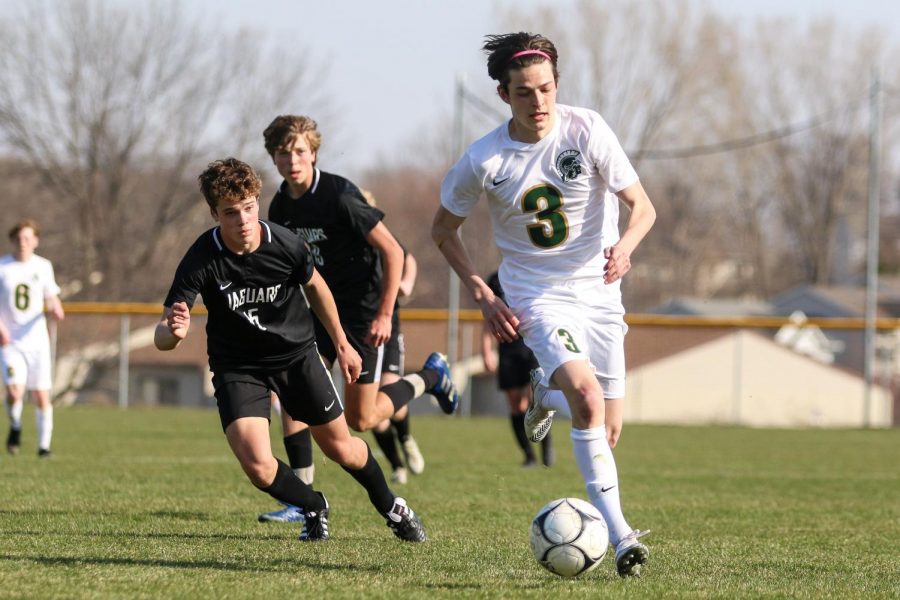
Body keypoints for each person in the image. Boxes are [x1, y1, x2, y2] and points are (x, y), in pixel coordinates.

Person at [432, 32, 657, 577]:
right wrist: (483, 294)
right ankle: (623, 536)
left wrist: (625, 248)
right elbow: (442, 230)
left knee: (607, 425)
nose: (539, 103)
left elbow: (643, 208)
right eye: (525, 93)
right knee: (587, 397)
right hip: (537, 295)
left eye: (546, 89)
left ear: (557, 84)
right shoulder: (484, 158)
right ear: (503, 95)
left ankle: (543, 393)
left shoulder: (588, 129)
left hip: (601, 293)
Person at [155, 157, 426, 542]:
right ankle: (313, 504)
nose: (243, 220)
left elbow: (317, 287)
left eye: (249, 208)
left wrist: (343, 344)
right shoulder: (201, 257)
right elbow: (163, 334)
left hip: (297, 357)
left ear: (257, 202)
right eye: (231, 213)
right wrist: (173, 331)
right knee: (258, 467)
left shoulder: (284, 243)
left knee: (341, 447)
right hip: (239, 366)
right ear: (214, 214)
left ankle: (392, 507)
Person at [256, 115, 456, 523]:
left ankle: (432, 377)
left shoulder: (340, 195)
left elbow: (394, 252)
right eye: (283, 153)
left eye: (299, 151)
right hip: (319, 311)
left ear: (313, 153)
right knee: (294, 394)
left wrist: (384, 313)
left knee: (361, 420)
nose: (291, 160)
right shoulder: (280, 205)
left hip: (363, 313)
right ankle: (302, 500)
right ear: (273, 158)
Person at [0, 219, 65, 457]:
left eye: (27, 238)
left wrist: (56, 307)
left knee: (40, 395)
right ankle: (15, 425)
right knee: (15, 391)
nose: (23, 243)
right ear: (12, 241)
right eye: (18, 239)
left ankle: (43, 447)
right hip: (10, 342)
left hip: (37, 340)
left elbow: (51, 296)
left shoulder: (43, 267)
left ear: (35, 241)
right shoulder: (2, 267)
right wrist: (2, 330)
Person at [481, 270, 553, 469]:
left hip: (532, 347)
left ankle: (546, 452)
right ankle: (529, 457)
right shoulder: (494, 280)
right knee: (515, 405)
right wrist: (486, 350)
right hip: (507, 348)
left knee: (535, 400)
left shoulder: (530, 272)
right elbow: (488, 317)